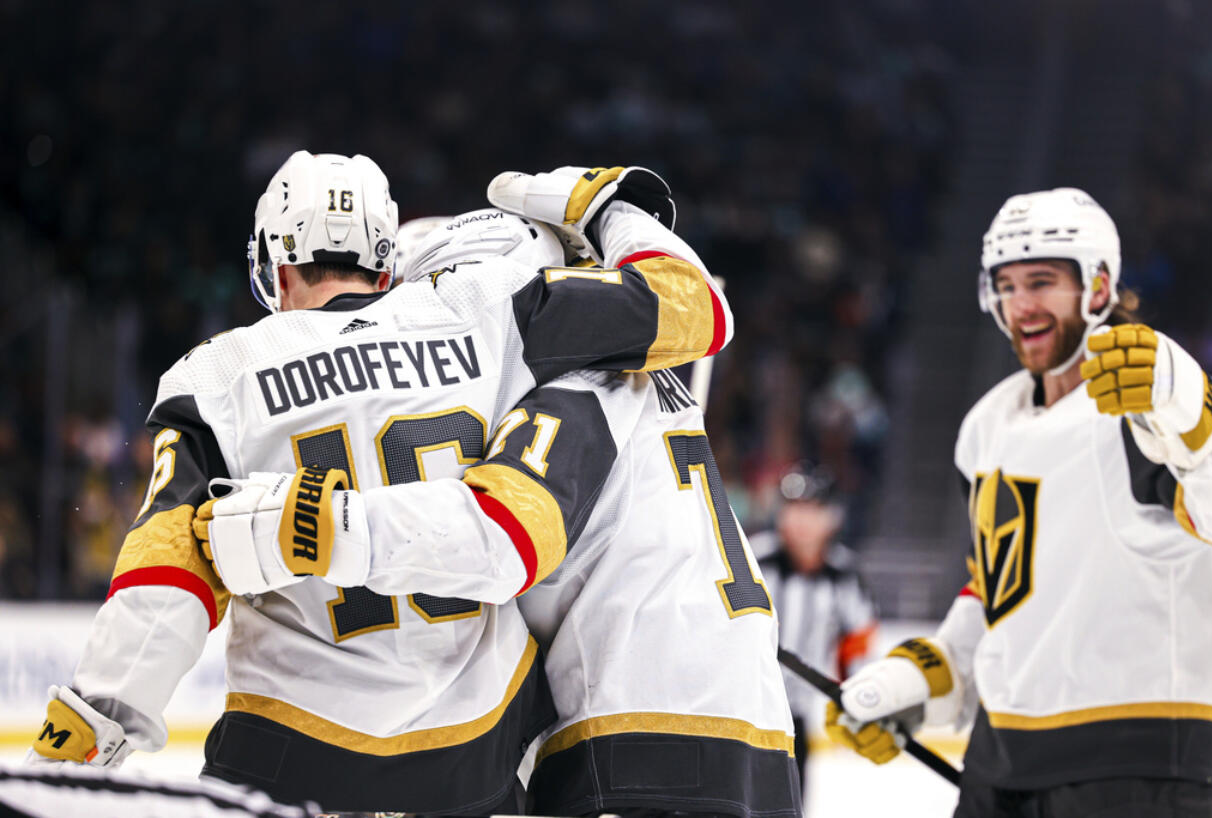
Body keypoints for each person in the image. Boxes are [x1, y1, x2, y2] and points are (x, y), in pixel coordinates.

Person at [28, 154, 734, 814]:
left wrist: (100, 717)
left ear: (276, 267)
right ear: (385, 257)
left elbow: (169, 573)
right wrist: (601, 206)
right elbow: (694, 310)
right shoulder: (488, 307)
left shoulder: (217, 374)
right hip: (476, 754)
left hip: (289, 750)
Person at [198, 189, 803, 817]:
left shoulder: (570, 387)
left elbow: (500, 537)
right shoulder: (641, 376)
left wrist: (318, 526)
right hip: (757, 738)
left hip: (632, 740)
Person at [825, 187, 1212, 817]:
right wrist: (922, 679)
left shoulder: (1151, 403)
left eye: (1041, 281)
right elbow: (1002, 589)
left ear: (1097, 288)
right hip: (999, 771)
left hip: (1141, 768)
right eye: (1006, 285)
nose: (1021, 304)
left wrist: (1198, 410)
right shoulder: (986, 426)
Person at [749, 462, 876, 795]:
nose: (802, 520)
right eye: (794, 509)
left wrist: (856, 702)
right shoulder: (751, 559)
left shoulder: (844, 574)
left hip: (794, 719)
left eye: (813, 510)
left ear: (832, 517)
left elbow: (858, 641)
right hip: (738, 709)